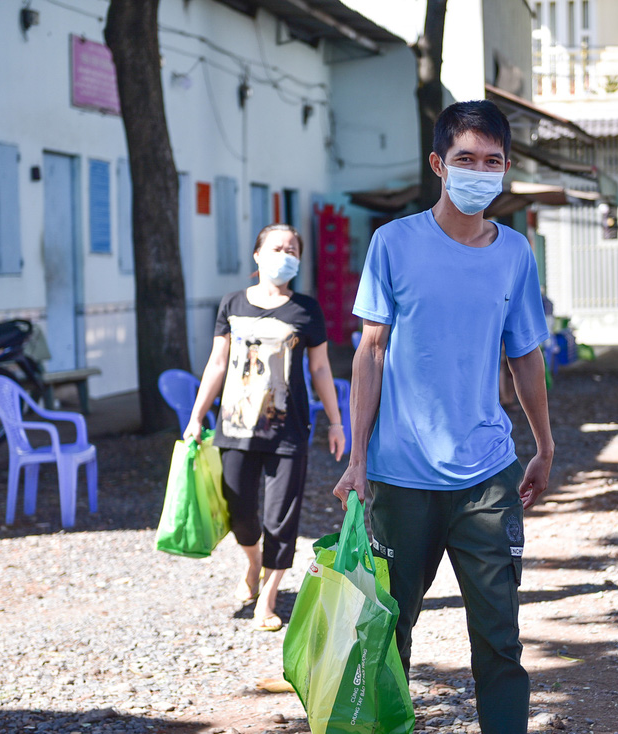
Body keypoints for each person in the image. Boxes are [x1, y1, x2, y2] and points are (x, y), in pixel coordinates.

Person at [333, 100, 554, 734]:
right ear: (439, 164)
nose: (478, 172)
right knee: (389, 632)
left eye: (492, 161)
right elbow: (369, 350)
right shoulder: (393, 243)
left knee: (499, 639)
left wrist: (543, 444)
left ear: (506, 167)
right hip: (400, 477)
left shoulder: (514, 252)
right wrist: (357, 461)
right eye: (465, 160)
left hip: (486, 475)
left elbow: (526, 355)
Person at [186, 223, 345, 632]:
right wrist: (195, 416)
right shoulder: (233, 303)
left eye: (292, 249)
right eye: (276, 247)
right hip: (235, 426)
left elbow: (321, 368)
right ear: (257, 256)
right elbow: (217, 364)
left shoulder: (306, 310)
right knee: (238, 508)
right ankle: (253, 563)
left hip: (288, 429)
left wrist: (336, 421)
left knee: (282, 517)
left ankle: (269, 598)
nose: (285, 254)